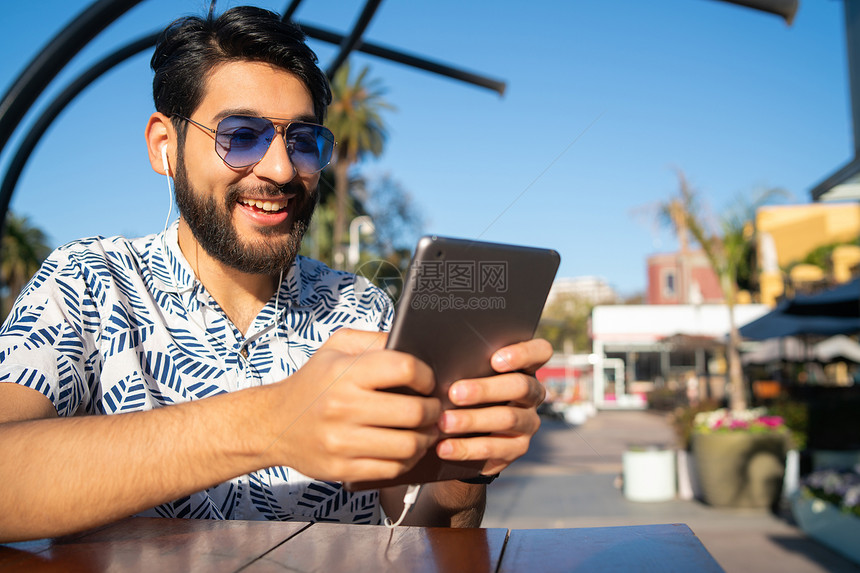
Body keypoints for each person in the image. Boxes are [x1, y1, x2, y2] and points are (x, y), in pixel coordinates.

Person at [0, 7, 550, 542]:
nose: (282, 170)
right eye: (241, 135)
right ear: (165, 147)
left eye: (304, 141)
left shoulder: (361, 310)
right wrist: (269, 423)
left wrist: (462, 462)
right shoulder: (90, 283)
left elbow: (422, 532)